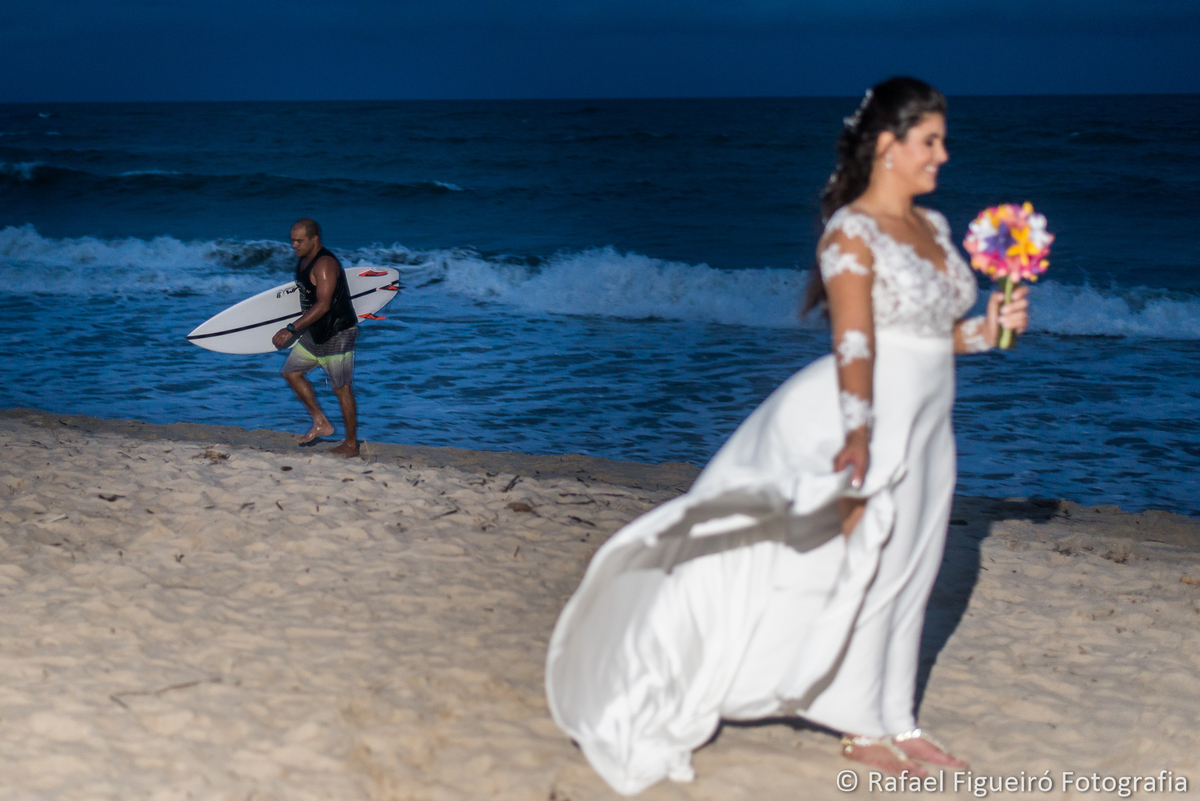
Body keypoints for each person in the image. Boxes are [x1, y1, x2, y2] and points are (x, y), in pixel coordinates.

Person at [544, 77, 1030, 795]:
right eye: (930, 140)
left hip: (932, 423)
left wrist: (998, 325)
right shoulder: (851, 233)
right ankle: (863, 728)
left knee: (915, 565)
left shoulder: (933, 229)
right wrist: (859, 436)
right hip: (864, 412)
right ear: (890, 146)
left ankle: (899, 717)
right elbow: (855, 340)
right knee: (866, 558)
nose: (943, 154)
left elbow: (939, 336)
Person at [272, 218, 361, 457]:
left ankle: (351, 445)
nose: (294, 245)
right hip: (315, 332)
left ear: (315, 239)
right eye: (292, 240)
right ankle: (321, 422)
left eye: (299, 241)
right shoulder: (304, 261)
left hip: (337, 332)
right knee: (290, 372)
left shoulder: (324, 264)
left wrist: (291, 329)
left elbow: (323, 305)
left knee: (342, 389)